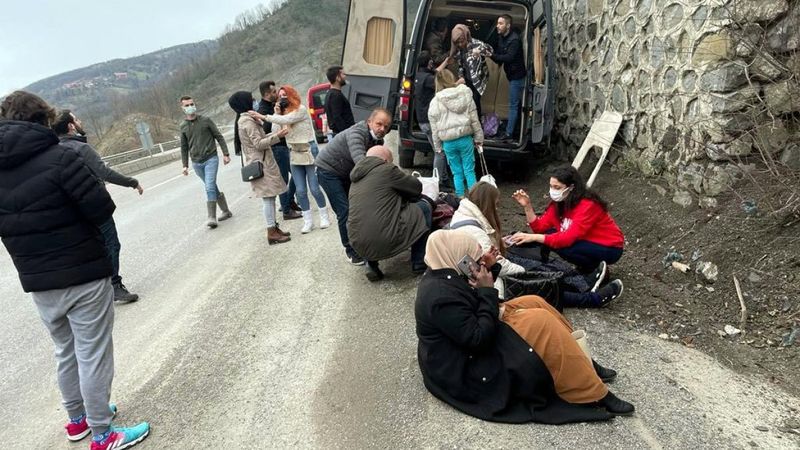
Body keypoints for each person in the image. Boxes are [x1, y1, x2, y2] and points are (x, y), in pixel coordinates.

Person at [0, 91, 150, 449]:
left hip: (38, 280)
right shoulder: (61, 158)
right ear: (41, 120)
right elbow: (101, 209)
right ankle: (103, 433)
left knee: (64, 351)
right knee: (93, 352)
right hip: (82, 272)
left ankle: (78, 420)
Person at [415, 230, 635, 424]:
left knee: (535, 302)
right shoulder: (440, 296)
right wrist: (486, 291)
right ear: (454, 256)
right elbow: (478, 340)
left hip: (476, 327)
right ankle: (594, 393)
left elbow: (472, 298)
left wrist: (492, 268)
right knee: (541, 323)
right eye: (471, 260)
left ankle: (583, 361)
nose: (475, 264)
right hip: (464, 364)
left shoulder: (444, 272)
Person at [452, 182, 624, 307]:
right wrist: (526, 272)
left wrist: (514, 237)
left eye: (556, 187)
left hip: (488, 272)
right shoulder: (472, 226)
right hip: (490, 280)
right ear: (487, 204)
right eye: (495, 206)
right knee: (537, 282)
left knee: (537, 261)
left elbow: (545, 231)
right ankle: (590, 297)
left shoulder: (466, 214)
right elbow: (500, 262)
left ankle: (582, 282)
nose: (552, 191)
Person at [52, 110, 142, 303]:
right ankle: (114, 285)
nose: (80, 120)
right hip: (93, 205)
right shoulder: (81, 148)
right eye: (76, 119)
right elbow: (104, 172)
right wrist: (132, 182)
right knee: (111, 244)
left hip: (73, 211)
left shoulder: (55, 151)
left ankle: (92, 292)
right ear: (70, 126)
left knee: (88, 249)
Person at [510, 165, 625, 279]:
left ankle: (593, 271)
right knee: (550, 236)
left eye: (557, 187)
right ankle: (587, 267)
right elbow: (541, 228)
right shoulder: (558, 203)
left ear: (571, 187)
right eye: (551, 186)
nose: (553, 191)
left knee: (563, 245)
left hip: (610, 247)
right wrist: (527, 206)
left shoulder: (588, 205)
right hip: (585, 241)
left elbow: (567, 238)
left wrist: (534, 237)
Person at [249, 85, 331, 234]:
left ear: (292, 95)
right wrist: (276, 114)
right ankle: (308, 221)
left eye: (285, 95)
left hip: (307, 150)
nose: (282, 98)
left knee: (314, 188)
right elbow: (276, 132)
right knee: (300, 191)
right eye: (280, 96)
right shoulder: (282, 115)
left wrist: (264, 116)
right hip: (293, 152)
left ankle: (324, 216)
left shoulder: (301, 109)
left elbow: (289, 119)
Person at [315, 108, 392, 265]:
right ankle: (351, 251)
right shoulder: (357, 133)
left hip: (345, 172)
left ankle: (364, 244)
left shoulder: (378, 140)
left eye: (386, 126)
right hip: (328, 171)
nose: (382, 129)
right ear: (369, 122)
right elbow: (361, 163)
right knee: (345, 211)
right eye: (379, 124)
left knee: (358, 208)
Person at [348, 146, 431, 281]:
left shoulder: (355, 179)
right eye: (392, 162)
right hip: (385, 238)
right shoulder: (387, 169)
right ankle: (419, 262)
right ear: (386, 160)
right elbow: (416, 188)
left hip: (358, 242)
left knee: (366, 220)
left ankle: (371, 263)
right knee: (424, 207)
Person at [228, 91, 291, 244]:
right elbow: (258, 144)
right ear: (244, 102)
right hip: (261, 163)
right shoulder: (247, 122)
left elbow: (260, 139)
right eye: (251, 99)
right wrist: (277, 137)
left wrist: (274, 134)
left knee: (270, 196)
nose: (254, 101)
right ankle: (271, 231)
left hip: (262, 161)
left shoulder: (247, 119)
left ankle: (274, 228)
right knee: (268, 198)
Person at [179, 95, 233, 229]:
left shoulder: (206, 120)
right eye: (186, 105)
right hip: (196, 163)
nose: (190, 107)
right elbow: (184, 147)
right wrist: (185, 165)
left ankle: (211, 217)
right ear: (182, 108)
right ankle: (226, 211)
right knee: (212, 186)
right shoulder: (183, 126)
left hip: (211, 158)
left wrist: (225, 154)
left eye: (191, 104)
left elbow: (218, 136)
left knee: (209, 186)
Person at [428, 69, 484, 198]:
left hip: (448, 143)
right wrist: (478, 138)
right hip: (465, 139)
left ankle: (460, 199)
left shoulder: (435, 102)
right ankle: (475, 198)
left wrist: (438, 147)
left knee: (457, 173)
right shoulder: (465, 94)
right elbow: (474, 119)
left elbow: (434, 129)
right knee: (469, 170)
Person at [258, 80, 302, 221]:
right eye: (273, 92)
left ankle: (288, 201)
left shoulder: (273, 105)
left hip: (285, 145)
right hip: (277, 148)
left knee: (297, 173)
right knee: (284, 180)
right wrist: (275, 115)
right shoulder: (263, 110)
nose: (276, 93)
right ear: (266, 94)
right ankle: (286, 209)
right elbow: (265, 131)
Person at [415, 51, 451, 190]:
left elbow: (436, 72)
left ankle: (444, 179)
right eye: (431, 61)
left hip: (421, 120)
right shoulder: (429, 80)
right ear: (428, 62)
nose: (433, 63)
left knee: (440, 150)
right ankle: (439, 183)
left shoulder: (419, 76)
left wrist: (446, 61)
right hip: (430, 122)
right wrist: (458, 83)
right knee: (439, 152)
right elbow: (445, 85)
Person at [491, 14, 527, 141]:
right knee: (515, 104)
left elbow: (508, 58)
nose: (497, 26)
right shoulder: (502, 38)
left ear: (508, 25)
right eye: (497, 23)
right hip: (512, 76)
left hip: (518, 77)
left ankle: (509, 134)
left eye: (501, 23)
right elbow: (500, 56)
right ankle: (512, 131)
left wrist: (491, 55)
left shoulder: (514, 40)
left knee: (513, 105)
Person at [449, 23, 493, 118]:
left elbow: (490, 50)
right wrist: (461, 76)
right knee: (468, 102)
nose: (460, 44)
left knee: (475, 103)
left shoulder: (476, 43)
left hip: (478, 79)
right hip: (467, 79)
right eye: (457, 43)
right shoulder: (459, 49)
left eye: (462, 41)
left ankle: (477, 125)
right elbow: (461, 64)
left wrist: (480, 51)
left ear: (466, 36)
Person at [323, 65, 355, 137]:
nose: (345, 76)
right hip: (342, 135)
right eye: (343, 74)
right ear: (337, 78)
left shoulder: (331, 94)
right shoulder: (335, 95)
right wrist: (347, 134)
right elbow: (337, 117)